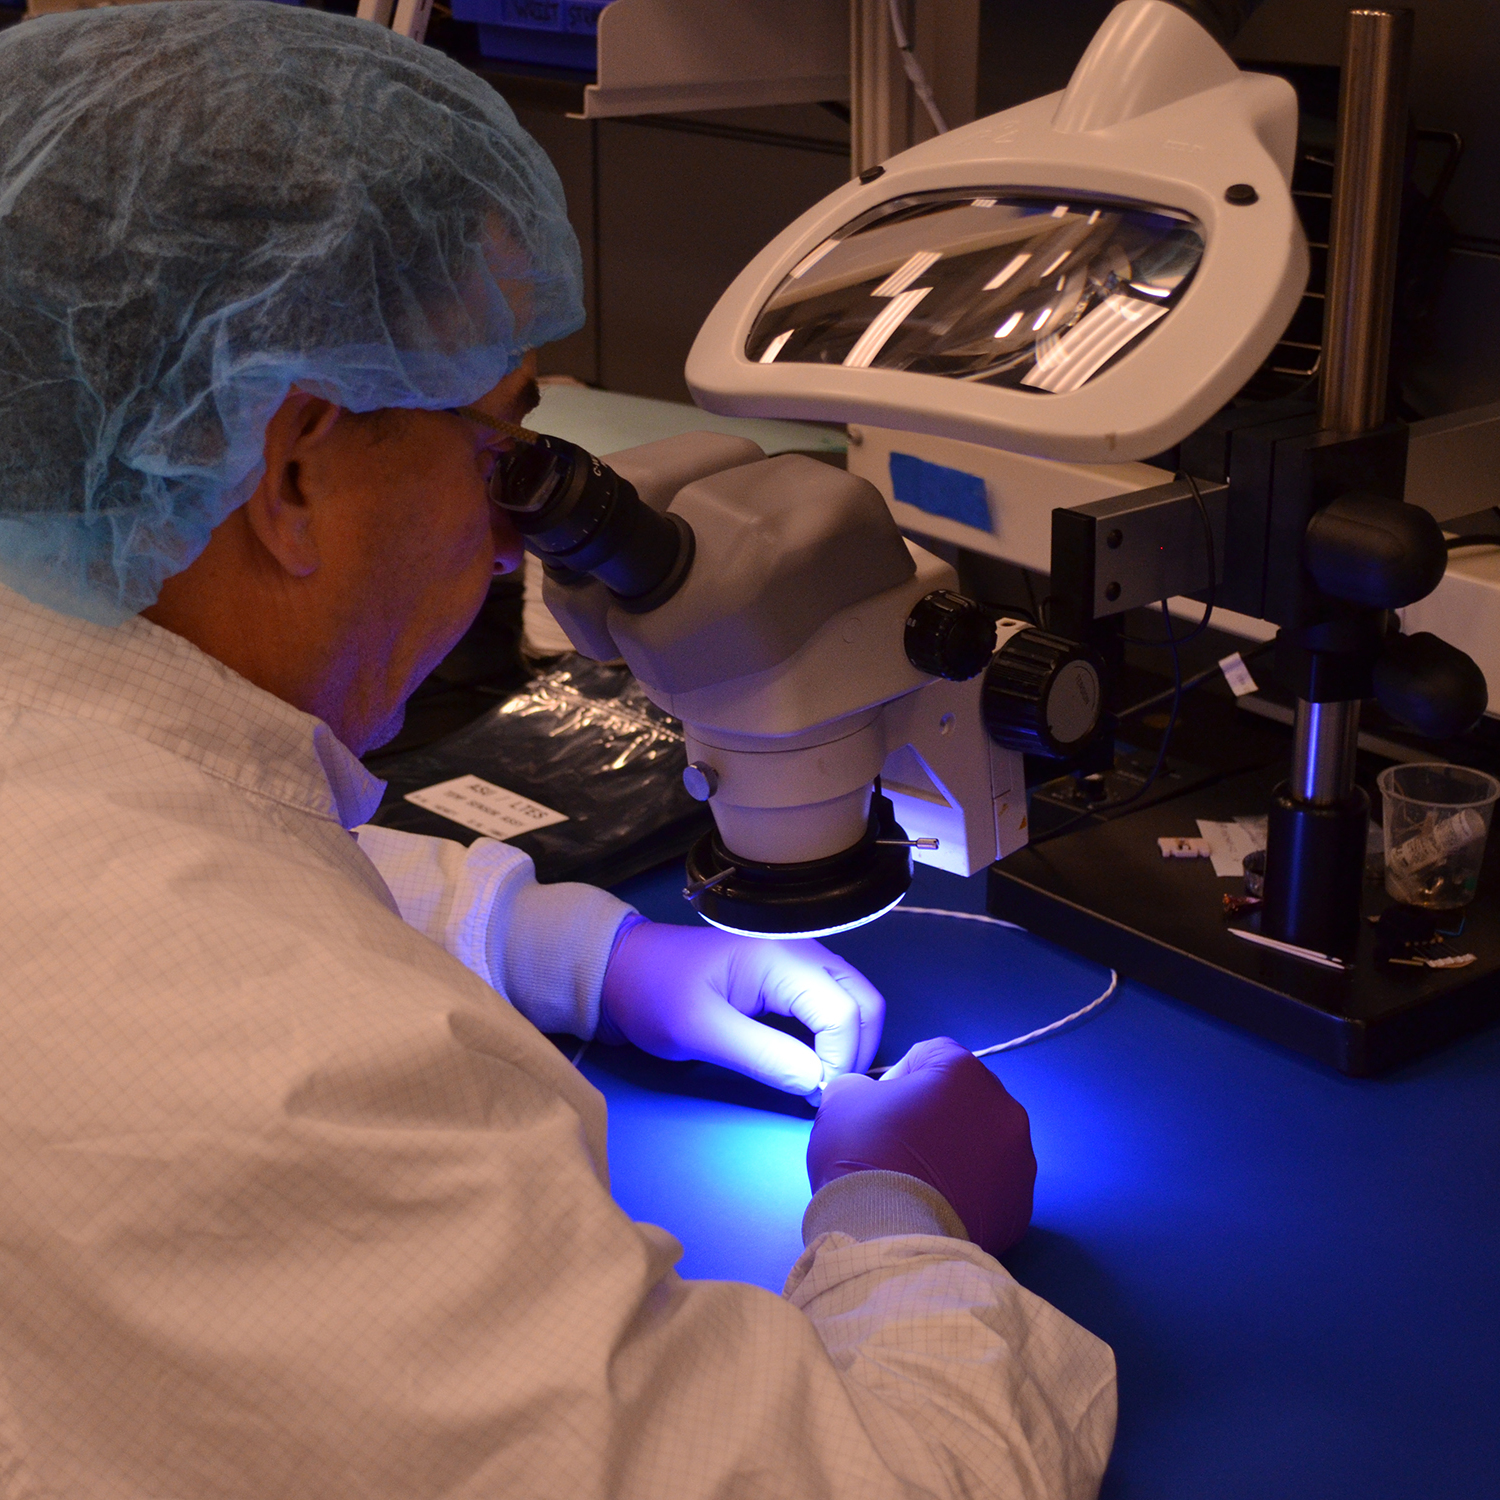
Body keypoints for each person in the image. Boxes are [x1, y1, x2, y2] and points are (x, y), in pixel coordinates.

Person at [0, 5, 1116, 1497]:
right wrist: (904, 1226)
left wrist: (585, 954)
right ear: (293, 473)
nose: (507, 525)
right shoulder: (298, 1078)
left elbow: (158, 852)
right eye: (500, 443)